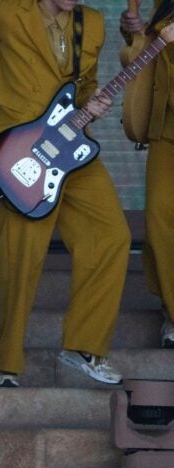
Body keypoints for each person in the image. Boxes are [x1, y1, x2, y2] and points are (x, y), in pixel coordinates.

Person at [0, 0, 131, 386]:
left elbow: (81, 89)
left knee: (111, 236)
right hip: (20, 150)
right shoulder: (8, 13)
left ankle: (84, 346)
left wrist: (94, 104)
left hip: (70, 147)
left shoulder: (94, 24)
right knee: (21, 255)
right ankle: (0, 365)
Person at [120, 0, 174, 348]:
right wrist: (134, 32)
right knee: (158, 217)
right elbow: (136, 61)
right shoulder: (159, 5)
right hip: (166, 128)